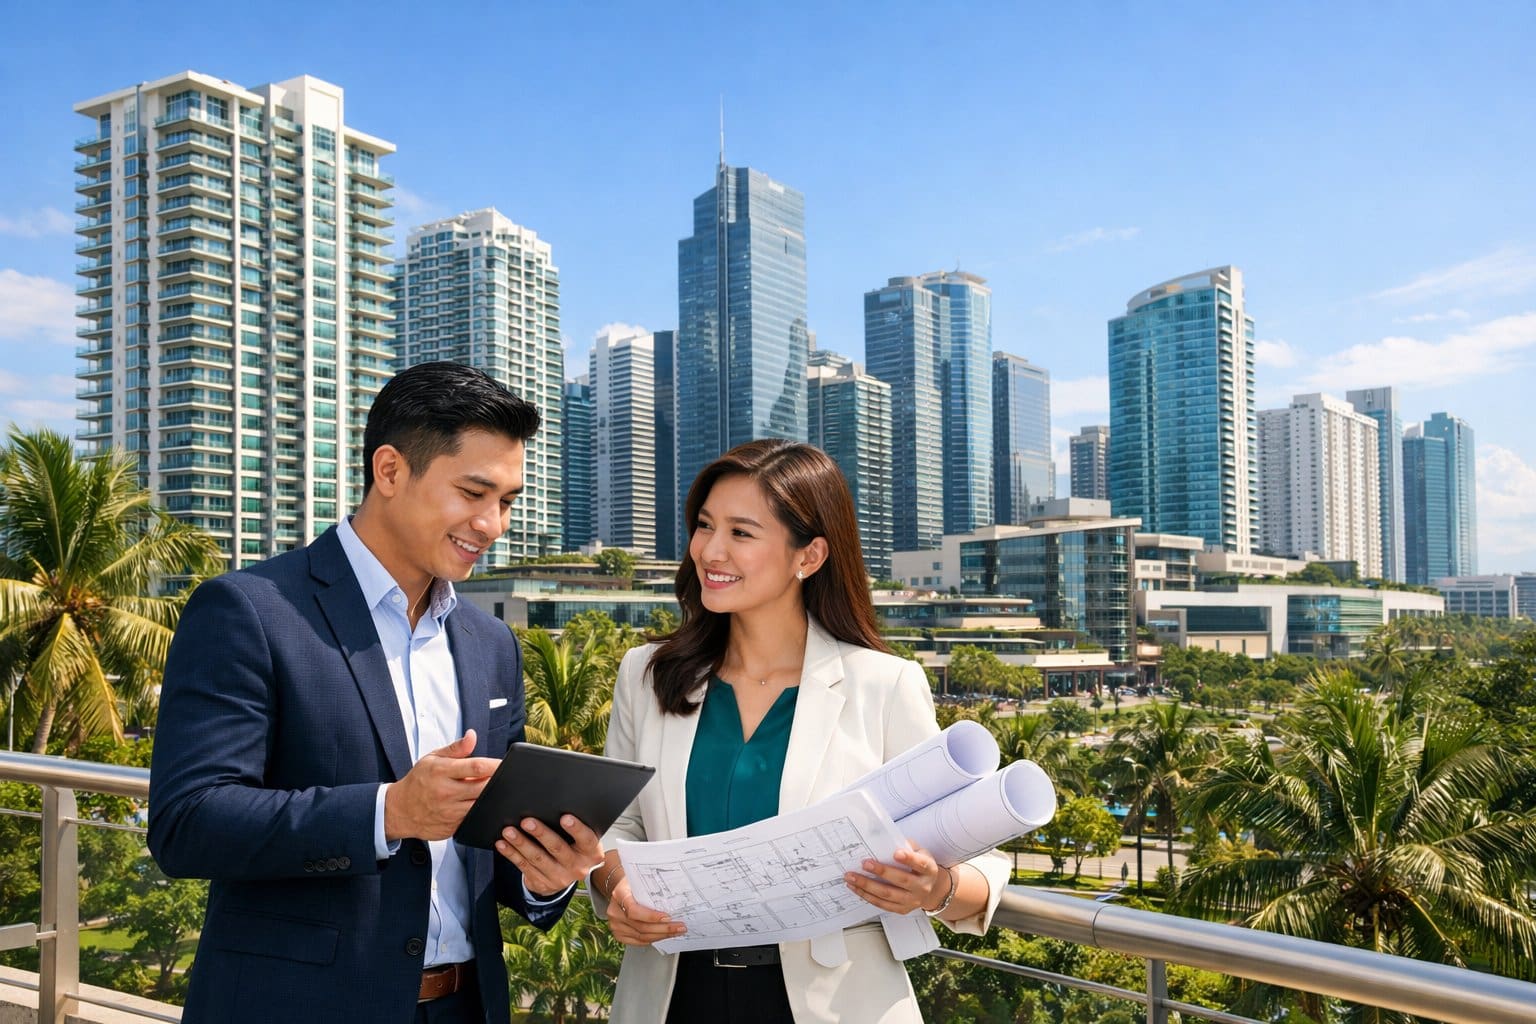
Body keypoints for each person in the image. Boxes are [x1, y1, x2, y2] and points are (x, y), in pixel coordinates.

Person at [148, 362, 604, 1023]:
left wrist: (543, 874)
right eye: (473, 493)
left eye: (506, 501)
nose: (493, 524)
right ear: (389, 471)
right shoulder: (249, 611)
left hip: (467, 1006)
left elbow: (489, 845)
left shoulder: (490, 644)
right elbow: (188, 823)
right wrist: (389, 813)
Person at [589, 439, 1011, 1023]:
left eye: (741, 533)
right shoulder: (648, 674)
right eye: (704, 525)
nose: (710, 550)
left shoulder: (883, 686)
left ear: (808, 556)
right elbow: (616, 824)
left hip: (835, 1003)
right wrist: (615, 885)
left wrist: (935, 888)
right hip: (669, 996)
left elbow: (978, 848)